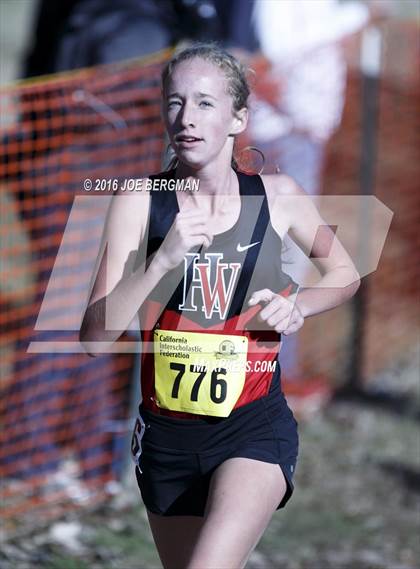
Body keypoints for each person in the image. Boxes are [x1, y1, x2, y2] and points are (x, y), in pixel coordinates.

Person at [80, 43, 360, 569]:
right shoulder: (139, 202)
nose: (186, 118)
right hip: (166, 437)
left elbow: (344, 275)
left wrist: (300, 303)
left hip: (252, 426)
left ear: (238, 119)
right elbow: (94, 339)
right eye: (174, 102)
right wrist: (161, 262)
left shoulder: (278, 197)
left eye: (206, 103)